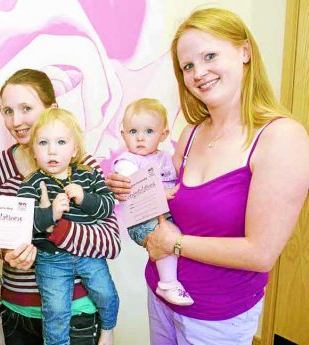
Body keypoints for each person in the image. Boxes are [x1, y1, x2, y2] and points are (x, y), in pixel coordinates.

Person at [104, 8, 309, 344]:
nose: (199, 73)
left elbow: (261, 253)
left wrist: (175, 243)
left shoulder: (281, 138)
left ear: (244, 52)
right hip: (160, 295)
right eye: (187, 66)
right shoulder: (190, 134)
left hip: (218, 317)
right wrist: (130, 187)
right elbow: (168, 203)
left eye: (209, 55)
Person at [0, 68, 121, 345]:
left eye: (26, 108)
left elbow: (110, 242)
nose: (16, 121)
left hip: (76, 312)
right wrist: (6, 250)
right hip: (17, 312)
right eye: (8, 111)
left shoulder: (83, 166)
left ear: (52, 109)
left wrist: (53, 229)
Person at [17, 108, 118, 345]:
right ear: (33, 150)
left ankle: (108, 328)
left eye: (61, 142)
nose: (52, 150)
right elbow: (22, 224)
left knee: (106, 293)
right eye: (43, 143)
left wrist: (85, 198)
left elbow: (108, 207)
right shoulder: (31, 183)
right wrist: (49, 214)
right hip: (51, 260)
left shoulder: (88, 175)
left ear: (74, 150)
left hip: (89, 255)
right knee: (55, 312)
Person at [113, 98, 193, 306]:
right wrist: (162, 193)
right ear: (124, 134)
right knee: (169, 235)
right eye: (133, 132)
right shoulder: (127, 162)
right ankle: (167, 283)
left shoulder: (166, 158)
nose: (140, 138)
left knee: (179, 232)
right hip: (143, 221)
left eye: (149, 131)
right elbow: (134, 189)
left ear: (163, 134)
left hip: (163, 215)